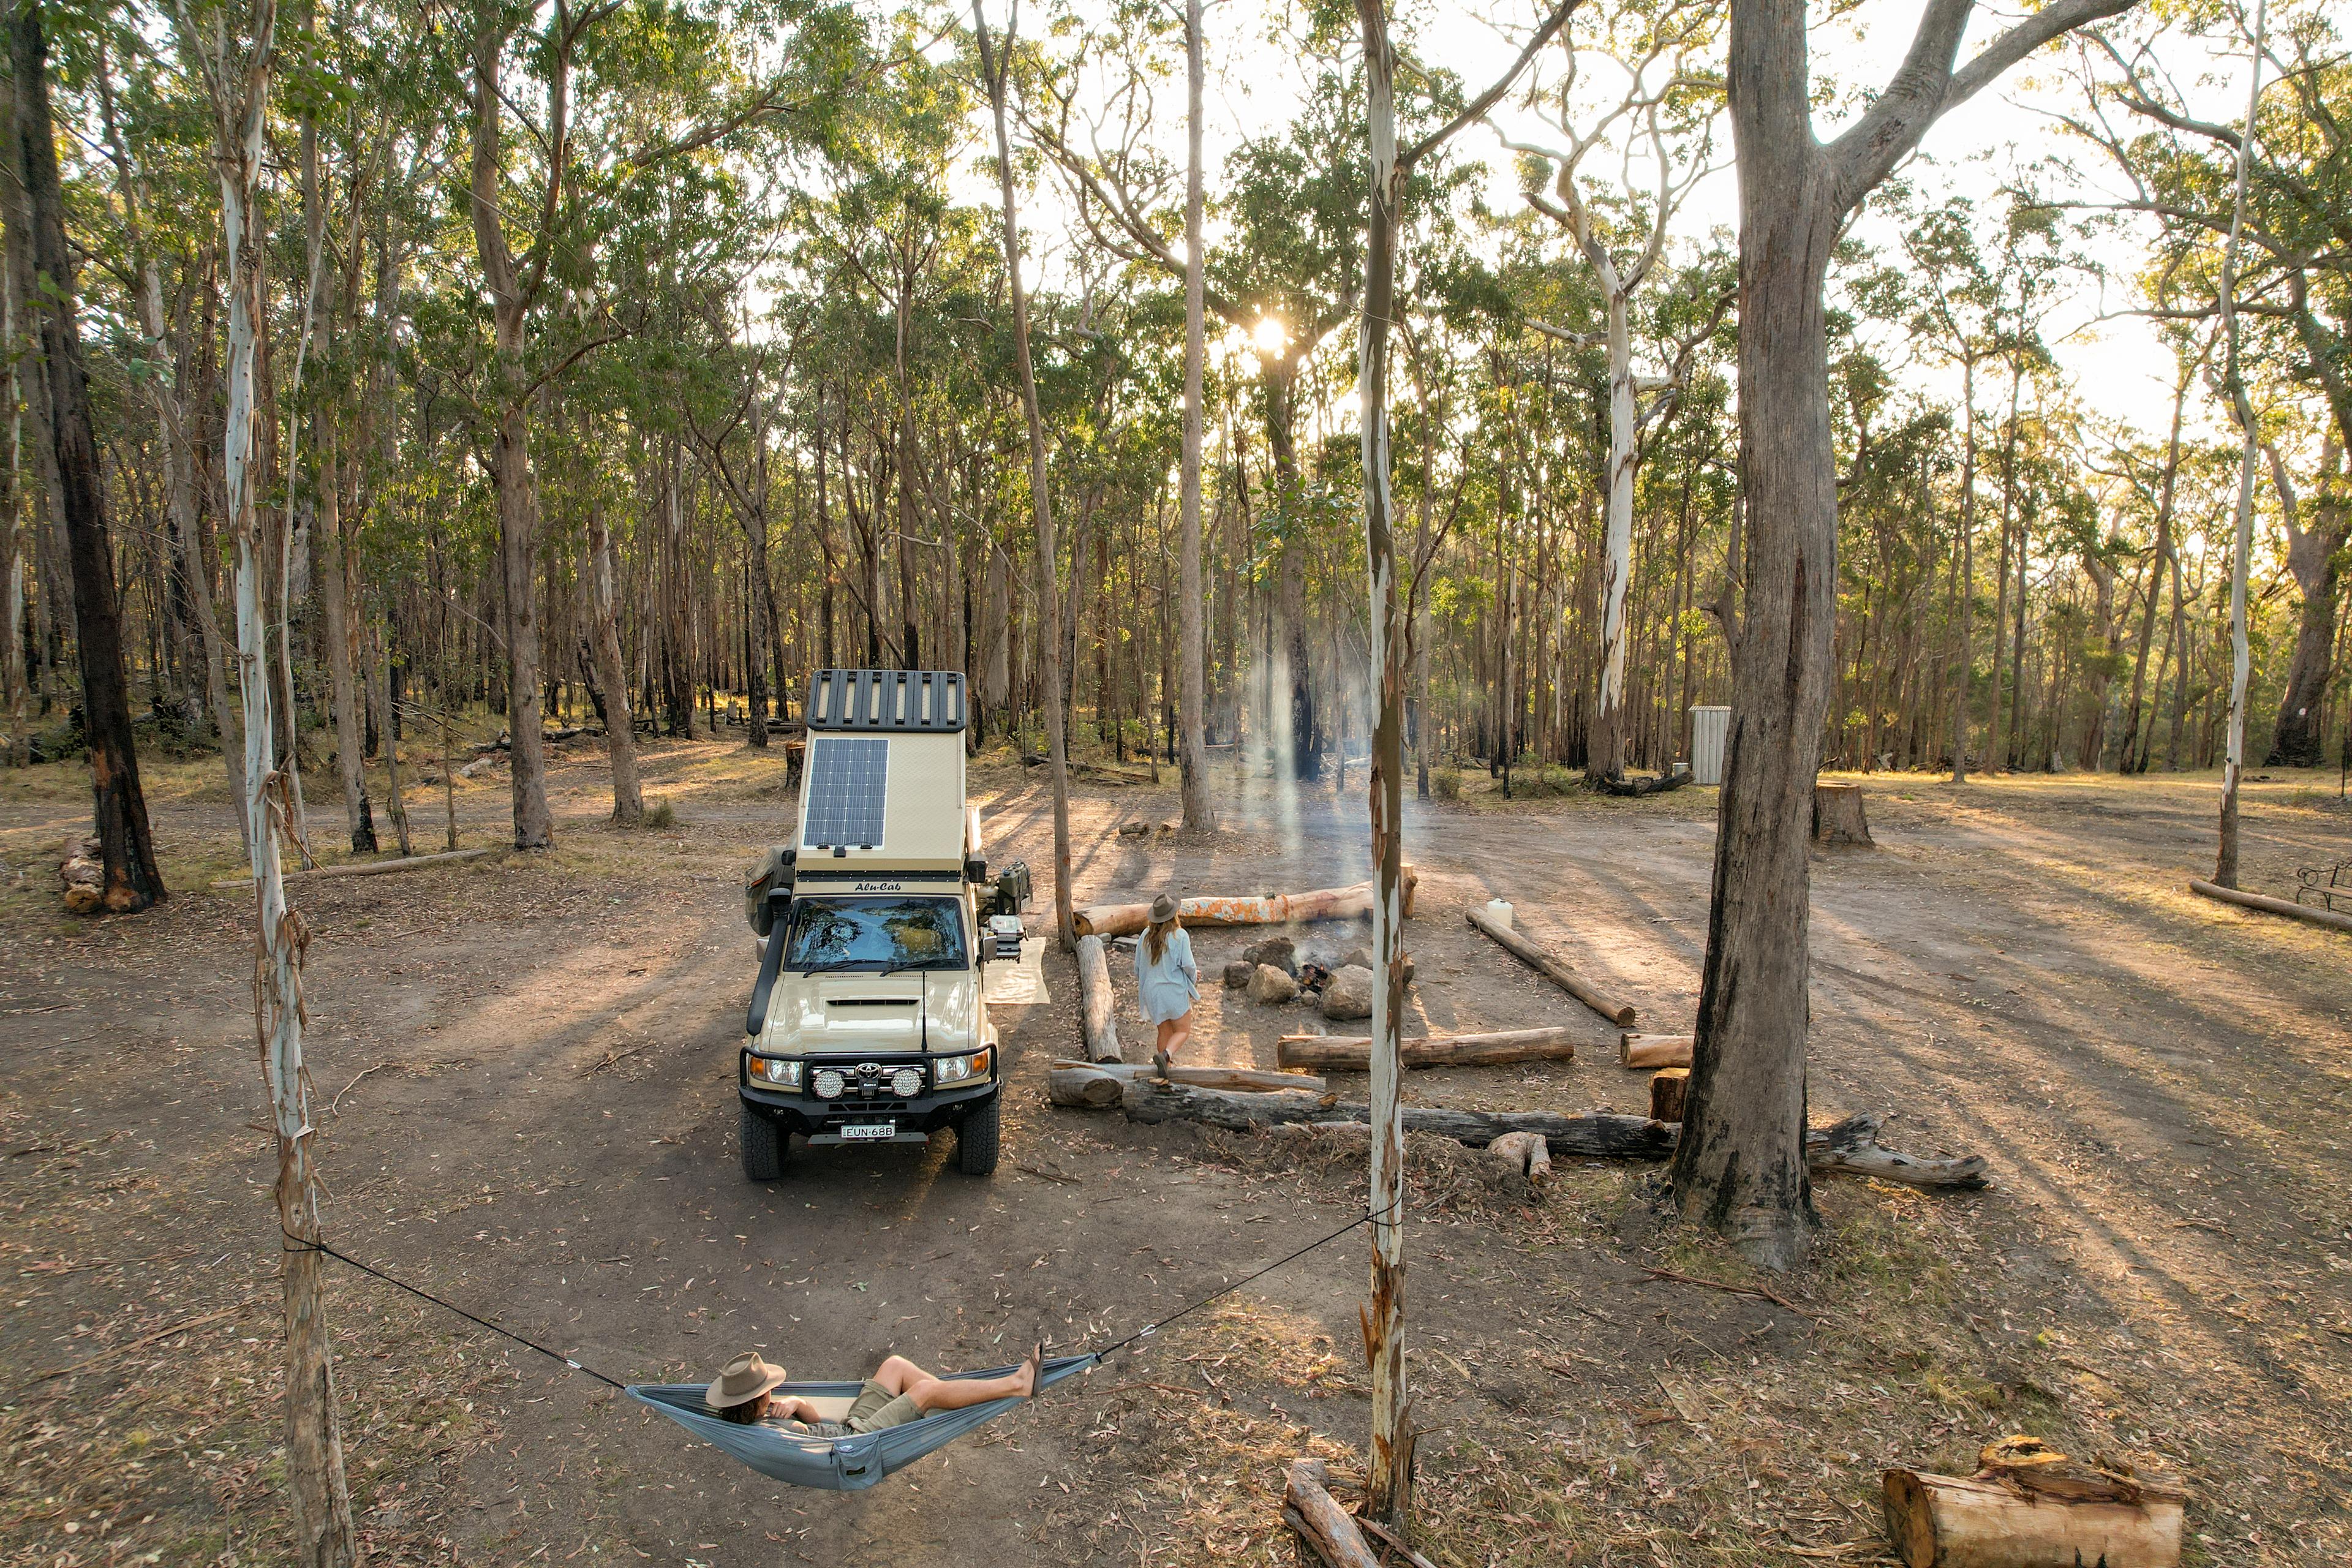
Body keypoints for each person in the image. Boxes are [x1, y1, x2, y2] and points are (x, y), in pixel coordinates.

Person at [704, 1344, 1042, 1437]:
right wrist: (796, 1422)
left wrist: (796, 1401)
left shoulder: (759, 1416)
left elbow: (816, 1419)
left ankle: (958, 1406)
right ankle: (1016, 1385)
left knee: (894, 1365)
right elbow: (822, 1452)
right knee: (923, 1392)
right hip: (856, 1442)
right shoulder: (775, 1433)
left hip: (848, 1427)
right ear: (757, 1396)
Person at [1134, 891, 1199, 1077]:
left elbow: (1138, 967)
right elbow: (1188, 965)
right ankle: (1166, 1055)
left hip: (1152, 992)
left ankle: (1165, 1067)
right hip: (1173, 990)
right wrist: (1193, 978)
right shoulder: (1180, 936)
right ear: (1174, 915)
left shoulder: (1145, 935)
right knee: (1183, 1030)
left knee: (1164, 1030)